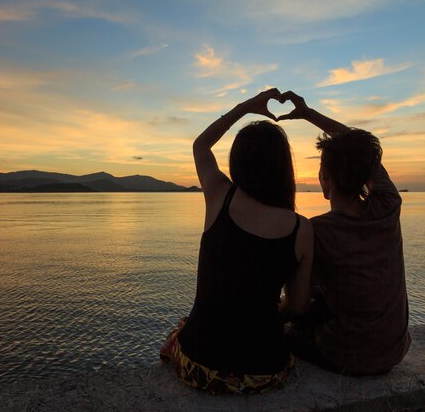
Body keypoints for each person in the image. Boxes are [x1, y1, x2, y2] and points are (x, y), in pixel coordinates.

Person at [159, 88, 313, 394]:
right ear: (284, 168)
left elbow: (201, 144)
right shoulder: (302, 229)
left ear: (238, 162)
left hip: (200, 368)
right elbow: (297, 307)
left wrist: (245, 107)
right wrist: (261, 311)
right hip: (265, 372)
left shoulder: (220, 195)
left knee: (181, 328)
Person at [277, 91, 411, 375]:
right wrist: (310, 113)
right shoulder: (388, 205)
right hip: (395, 350)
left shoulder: (317, 230)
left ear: (325, 178)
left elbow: (296, 307)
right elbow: (361, 150)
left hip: (344, 355)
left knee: (286, 327)